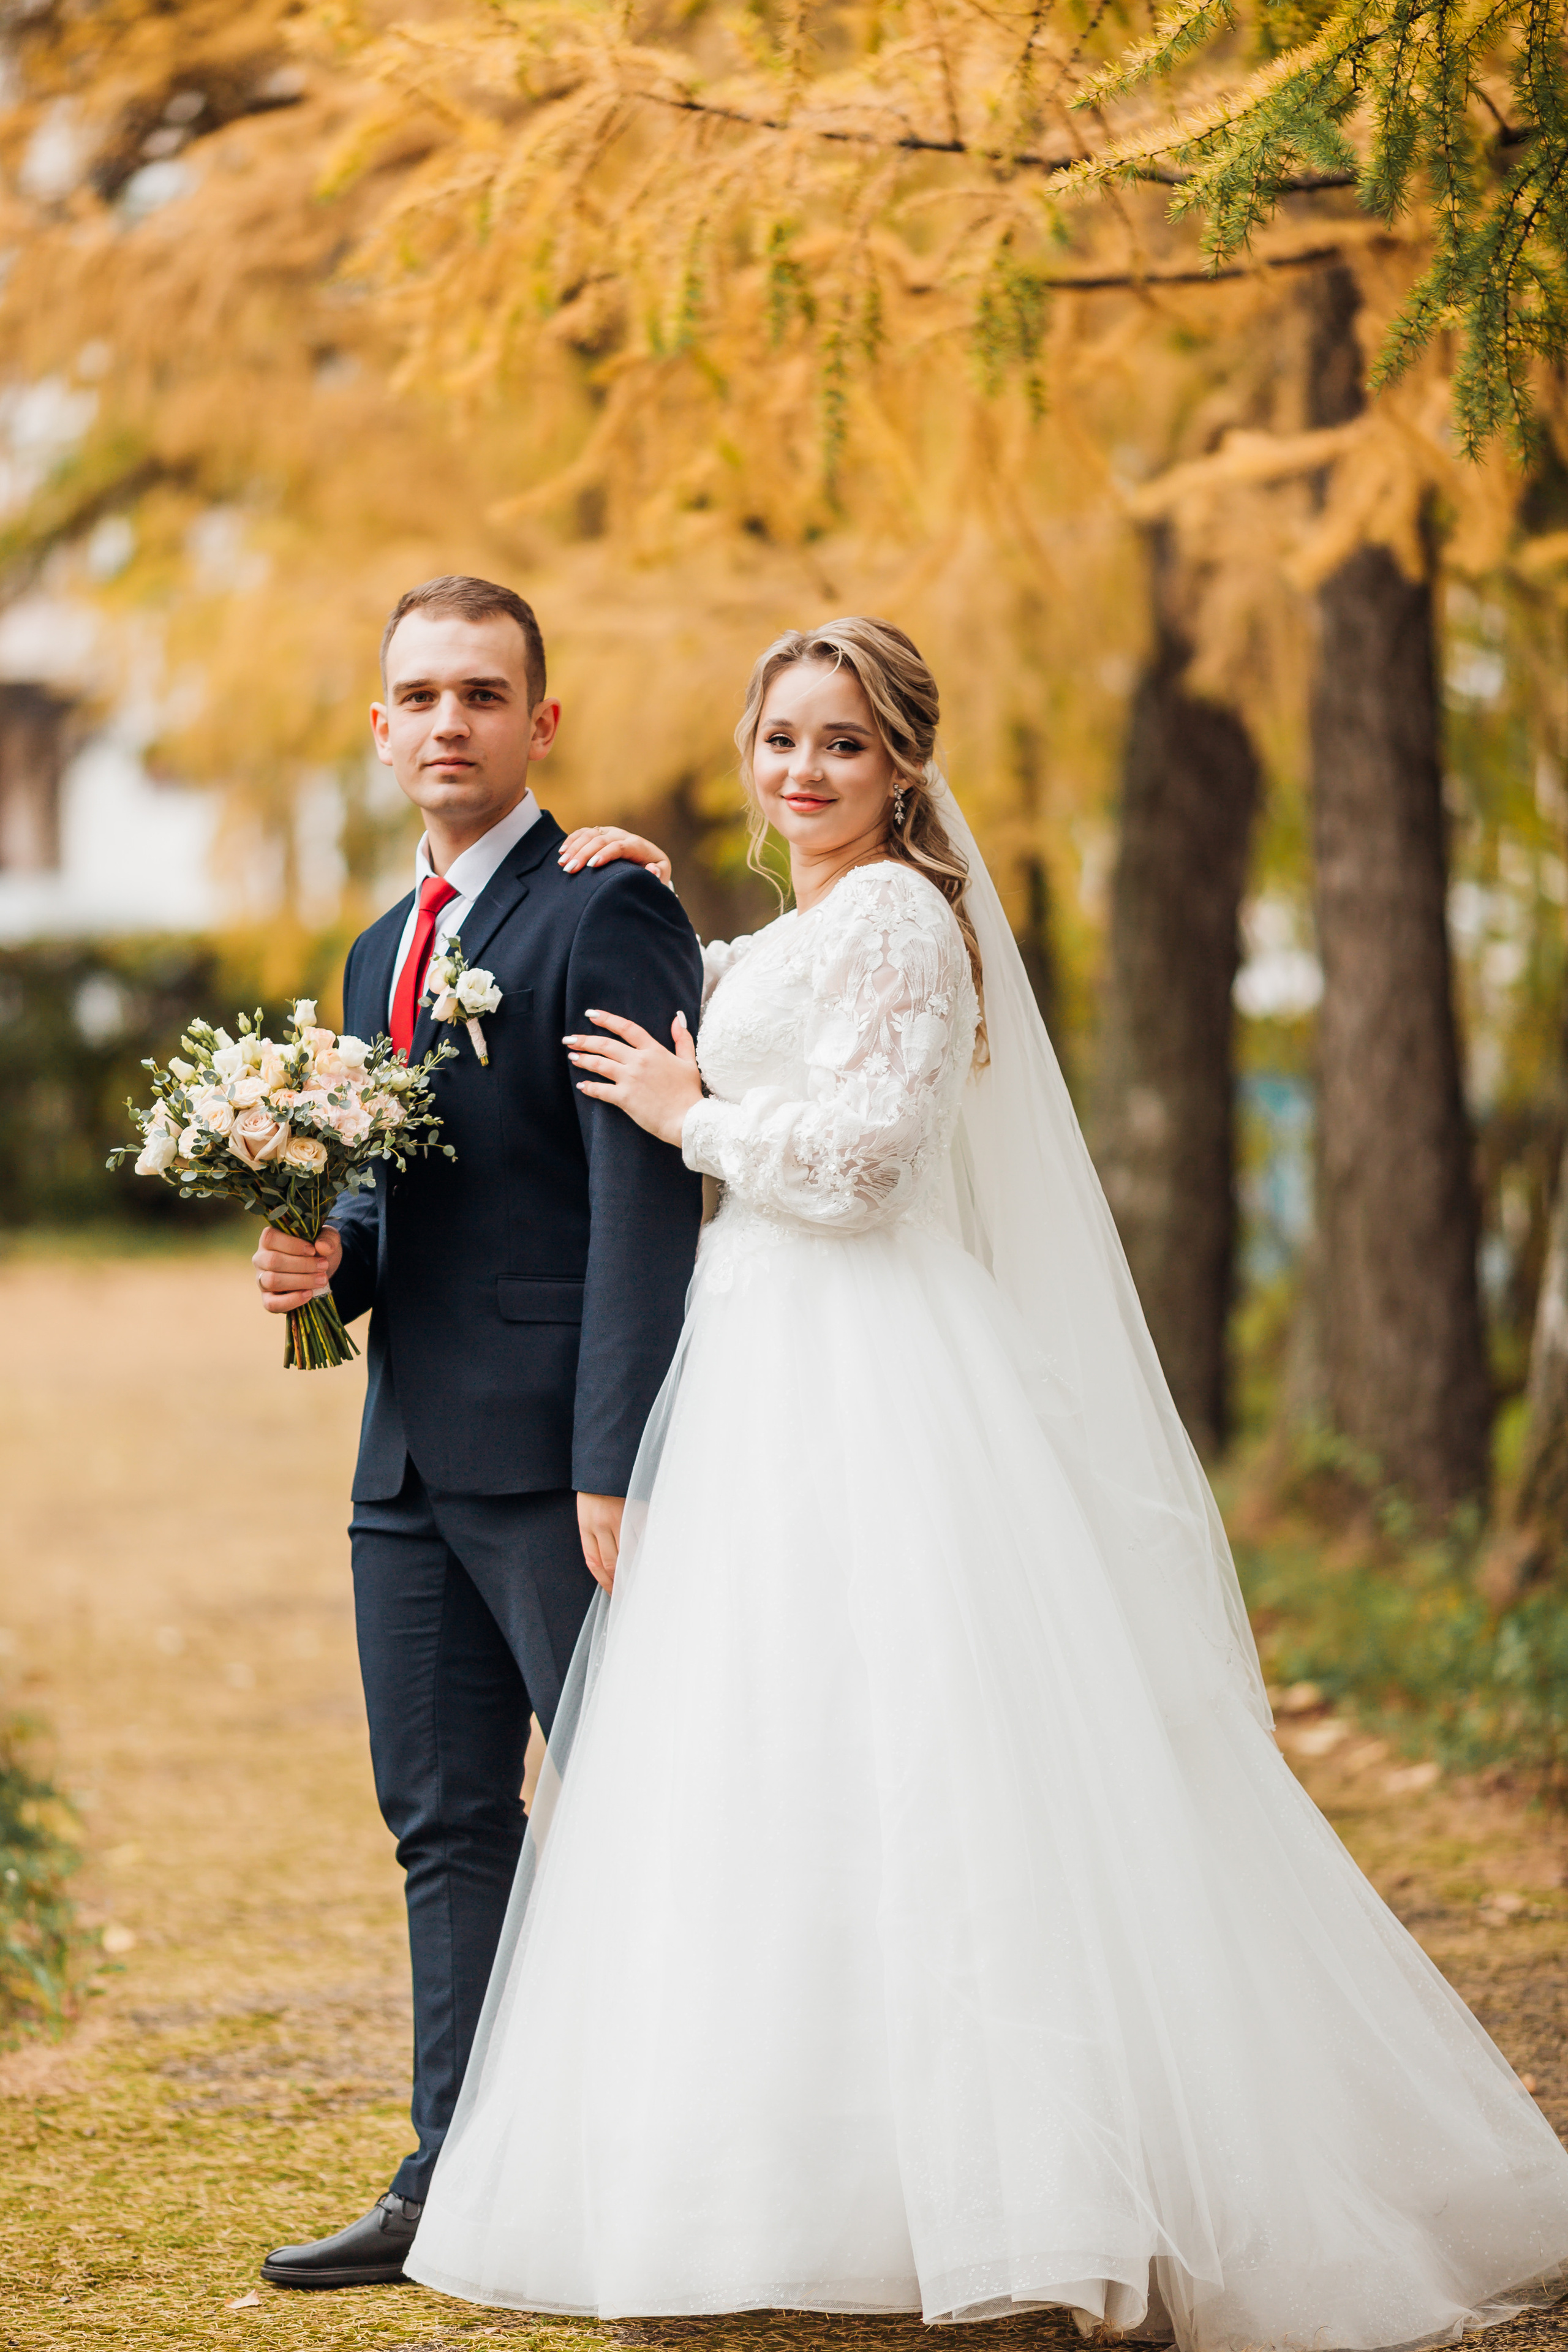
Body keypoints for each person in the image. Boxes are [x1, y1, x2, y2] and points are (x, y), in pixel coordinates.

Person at [402, 615, 1568, 2349]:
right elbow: (776, 1015)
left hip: (871, 1363)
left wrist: (683, 1112)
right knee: (792, 1762)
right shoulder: (817, 920)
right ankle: (821, 2174)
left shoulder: (903, 919)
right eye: (782, 738)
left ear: (905, 767)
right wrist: (669, 927)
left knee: (939, 1763)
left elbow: (864, 1164)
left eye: (844, 745)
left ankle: (1021, 2191)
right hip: (769, 1361)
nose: (804, 770)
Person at [250, 576, 703, 2290]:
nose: (450, 720)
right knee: (445, 1822)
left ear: (541, 724)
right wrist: (323, 1261)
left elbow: (643, 1202)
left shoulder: (608, 914)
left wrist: (618, 1460)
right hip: (404, 1466)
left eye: (484, 693)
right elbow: (398, 1196)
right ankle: (453, 2178)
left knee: (649, 1805)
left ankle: (680, 2166)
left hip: (561, 1470)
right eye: (421, 695)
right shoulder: (384, 947)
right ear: (382, 730)